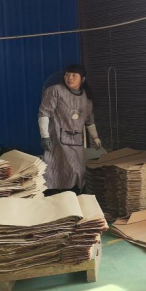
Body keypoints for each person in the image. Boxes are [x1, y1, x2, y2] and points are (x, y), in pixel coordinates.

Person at [38, 64, 102, 195]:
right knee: (55, 168)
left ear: (82, 79)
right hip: (56, 140)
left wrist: (95, 137)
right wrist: (44, 136)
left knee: (76, 169)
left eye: (74, 75)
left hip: (76, 141)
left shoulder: (86, 99)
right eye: (67, 74)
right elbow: (44, 113)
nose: (70, 78)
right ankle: (54, 195)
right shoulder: (55, 91)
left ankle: (74, 195)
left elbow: (89, 121)